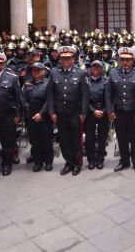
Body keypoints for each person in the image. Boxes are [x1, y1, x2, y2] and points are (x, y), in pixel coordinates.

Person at [48, 45, 88, 176]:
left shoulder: (80, 73)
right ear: (59, 59)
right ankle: (68, 163)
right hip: (60, 113)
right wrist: (52, 112)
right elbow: (50, 94)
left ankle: (77, 163)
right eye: (63, 58)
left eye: (68, 58)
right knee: (64, 139)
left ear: (73, 59)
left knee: (76, 139)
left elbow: (85, 95)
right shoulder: (54, 73)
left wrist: (83, 113)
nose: (66, 61)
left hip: (75, 113)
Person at [106, 47, 135, 173]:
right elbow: (108, 94)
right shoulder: (112, 73)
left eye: (127, 60)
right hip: (118, 112)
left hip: (133, 112)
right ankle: (124, 161)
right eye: (122, 59)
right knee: (121, 138)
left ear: (133, 60)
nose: (124, 62)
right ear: (118, 60)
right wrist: (109, 110)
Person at [22, 62, 53, 172]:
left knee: (46, 140)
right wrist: (28, 109)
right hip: (31, 115)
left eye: (38, 70)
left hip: (44, 115)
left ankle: (48, 162)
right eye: (34, 70)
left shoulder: (48, 83)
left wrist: (40, 113)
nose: (36, 72)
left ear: (43, 71)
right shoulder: (27, 84)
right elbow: (23, 99)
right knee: (35, 141)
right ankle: (38, 162)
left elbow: (49, 100)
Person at [84, 60, 108, 170]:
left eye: (98, 67)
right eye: (94, 67)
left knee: (102, 137)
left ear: (102, 69)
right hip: (90, 112)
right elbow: (84, 99)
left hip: (103, 112)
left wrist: (103, 110)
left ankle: (100, 159)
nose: (96, 69)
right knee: (89, 137)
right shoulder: (86, 81)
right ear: (90, 69)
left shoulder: (106, 81)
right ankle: (91, 159)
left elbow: (109, 99)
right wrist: (93, 111)